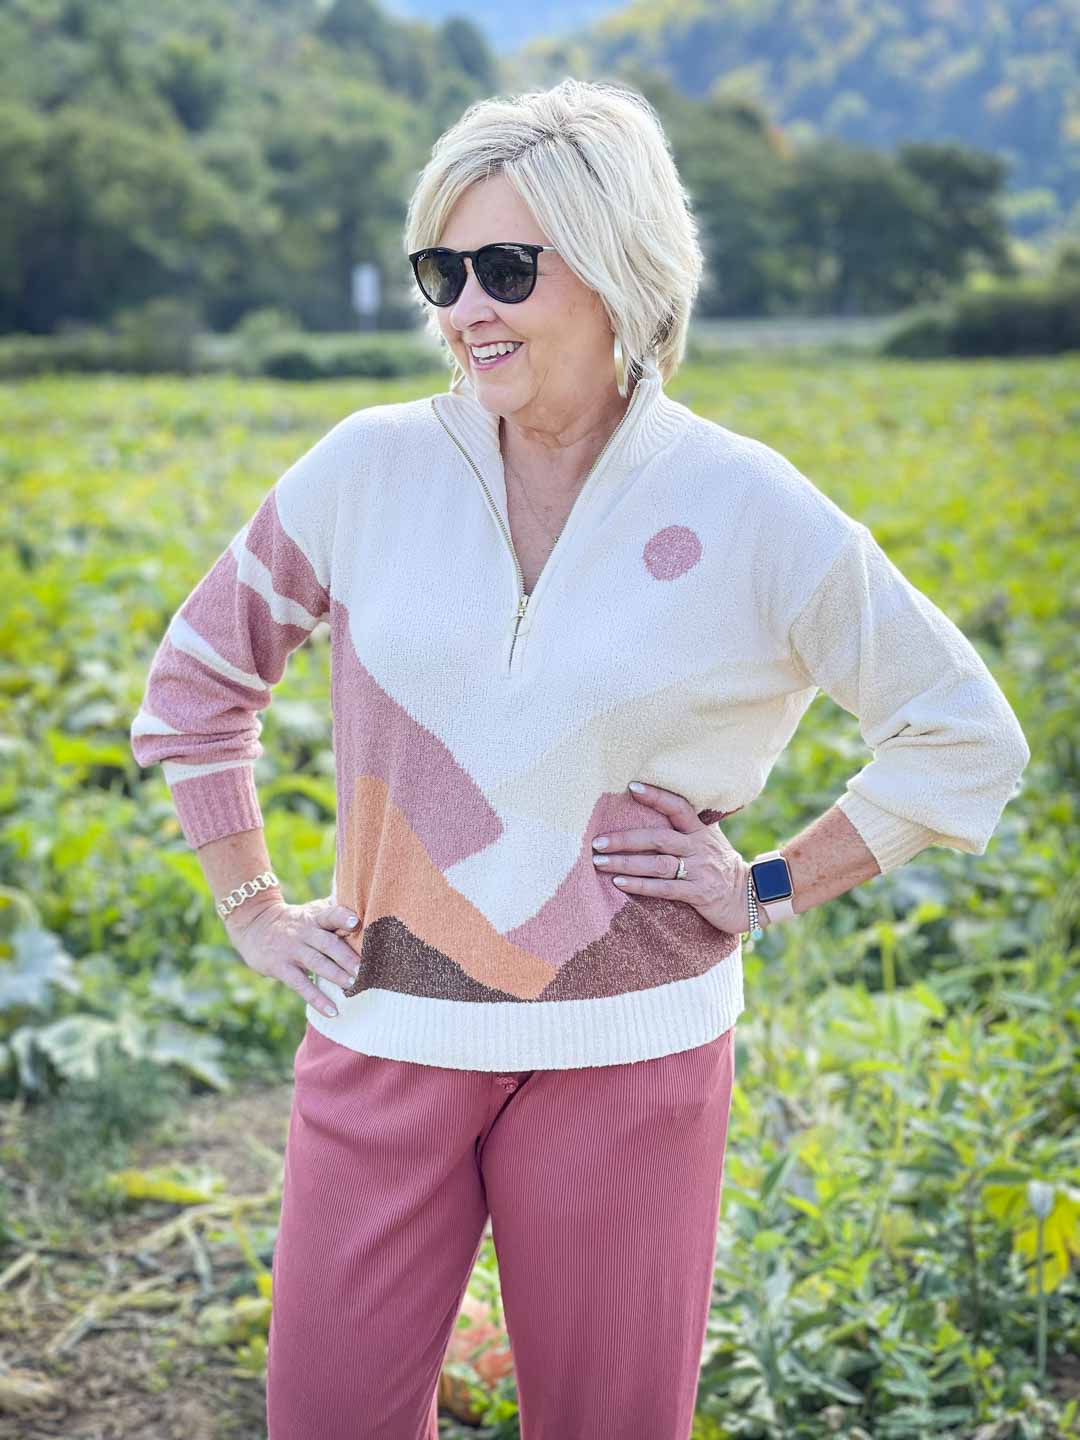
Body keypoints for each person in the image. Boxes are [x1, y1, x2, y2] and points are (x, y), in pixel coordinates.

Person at [129, 78, 1031, 1440]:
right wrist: (252, 905)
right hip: (386, 1033)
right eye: (445, 268)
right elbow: (199, 679)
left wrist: (770, 884)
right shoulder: (366, 470)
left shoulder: (746, 506)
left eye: (506, 267)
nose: (466, 307)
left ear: (620, 270)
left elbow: (964, 733)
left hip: (636, 1059)